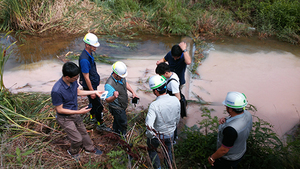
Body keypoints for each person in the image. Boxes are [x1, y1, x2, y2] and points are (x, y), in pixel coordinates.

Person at [51, 62, 103, 161]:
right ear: (67, 77)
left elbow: (78, 92)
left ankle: (89, 148)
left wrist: (94, 92)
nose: (77, 79)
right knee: (77, 139)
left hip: (75, 112)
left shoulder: (73, 81)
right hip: (65, 118)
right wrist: (79, 112)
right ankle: (73, 152)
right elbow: (59, 109)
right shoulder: (57, 90)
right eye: (75, 77)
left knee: (83, 132)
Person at [208, 92, 253, 169]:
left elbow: (224, 150)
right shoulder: (247, 114)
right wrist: (226, 119)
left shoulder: (231, 130)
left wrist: (212, 158)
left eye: (227, 106)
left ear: (230, 109)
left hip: (228, 159)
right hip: (240, 151)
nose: (225, 107)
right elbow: (237, 119)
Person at [145, 75, 180, 169]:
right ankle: (168, 166)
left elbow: (149, 125)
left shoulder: (154, 105)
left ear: (155, 91)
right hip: (170, 133)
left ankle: (158, 167)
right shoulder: (176, 100)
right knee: (168, 151)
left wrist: (149, 136)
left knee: (152, 150)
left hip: (157, 135)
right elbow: (177, 118)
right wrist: (172, 129)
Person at [78, 32, 110, 131]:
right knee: (98, 105)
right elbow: (86, 77)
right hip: (89, 86)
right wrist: (92, 91)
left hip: (92, 84)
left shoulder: (89, 54)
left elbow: (91, 71)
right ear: (87, 45)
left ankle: (92, 118)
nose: (96, 47)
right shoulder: (84, 59)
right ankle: (100, 125)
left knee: (92, 102)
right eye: (94, 46)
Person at [104, 61, 138, 136]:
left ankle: (116, 132)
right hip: (116, 108)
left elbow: (125, 82)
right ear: (115, 74)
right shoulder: (109, 85)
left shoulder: (120, 77)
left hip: (122, 104)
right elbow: (107, 99)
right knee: (123, 122)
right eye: (121, 76)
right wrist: (114, 97)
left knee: (117, 121)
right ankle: (122, 136)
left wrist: (133, 92)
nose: (122, 77)